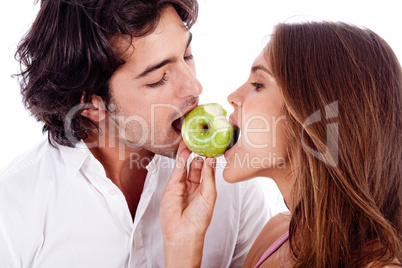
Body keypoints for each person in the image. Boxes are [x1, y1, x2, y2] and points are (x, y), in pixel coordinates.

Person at [0, 0, 270, 267]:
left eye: (187, 54)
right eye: (158, 79)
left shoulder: (232, 181)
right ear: (91, 106)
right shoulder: (14, 209)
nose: (194, 86)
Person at [160, 21, 402, 267]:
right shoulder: (275, 236)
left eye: (258, 84)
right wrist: (181, 246)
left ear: (313, 112)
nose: (233, 97)